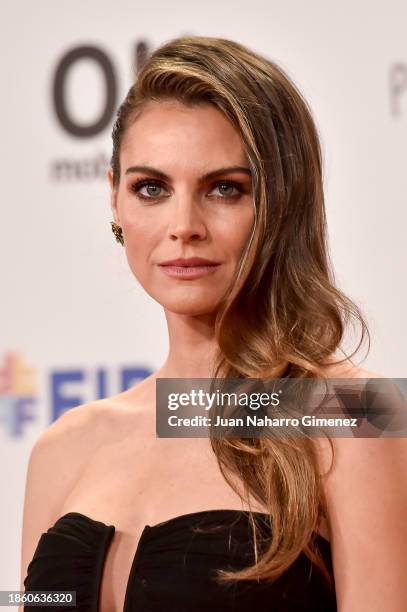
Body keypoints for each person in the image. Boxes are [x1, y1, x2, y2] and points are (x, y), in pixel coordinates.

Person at [20, 35, 407, 612]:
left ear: (282, 201)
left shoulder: (357, 415)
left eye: (225, 189)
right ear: (116, 201)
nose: (184, 225)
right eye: (151, 188)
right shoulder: (65, 447)